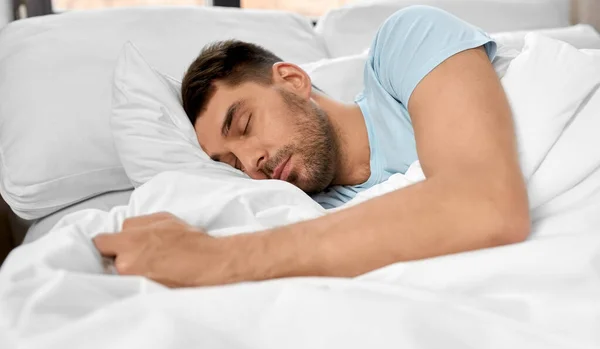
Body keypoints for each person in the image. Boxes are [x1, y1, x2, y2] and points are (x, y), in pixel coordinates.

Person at [94, 6, 529, 287]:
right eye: (230, 162)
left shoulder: (405, 45)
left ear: (293, 80)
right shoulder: (314, 215)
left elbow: (486, 202)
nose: (251, 163)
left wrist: (216, 259)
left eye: (244, 125)